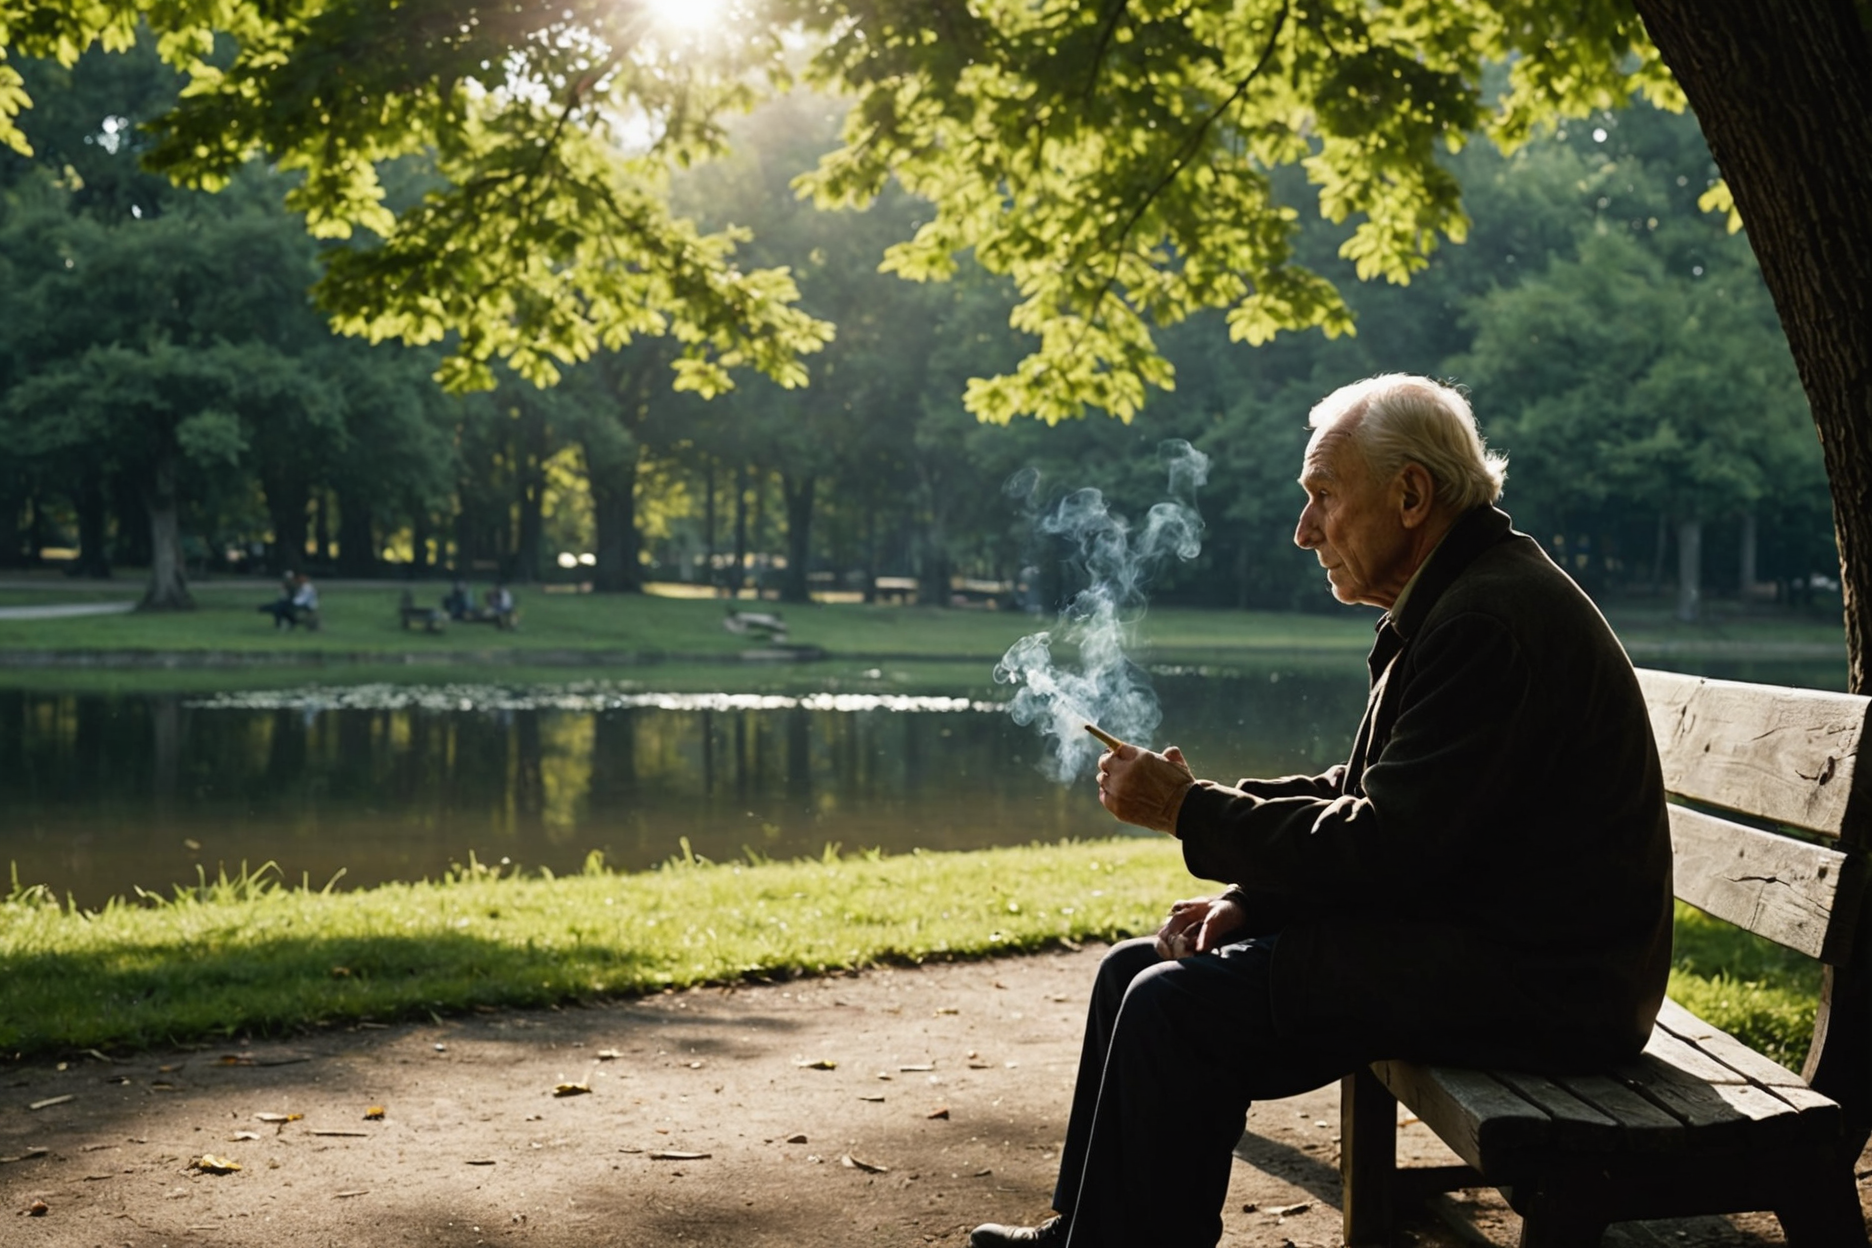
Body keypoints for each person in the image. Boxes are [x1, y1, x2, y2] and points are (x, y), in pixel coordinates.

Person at [969, 374, 1673, 1248]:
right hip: (1486, 944)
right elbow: (1375, 799)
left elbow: (1387, 844)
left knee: (1171, 1010)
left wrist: (1192, 812)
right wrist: (1249, 896)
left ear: (1411, 495)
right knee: (1133, 976)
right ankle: (1086, 1232)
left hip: (1552, 986)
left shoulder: (1486, 620)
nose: (1304, 531)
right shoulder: (1463, 598)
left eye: (1322, 497)